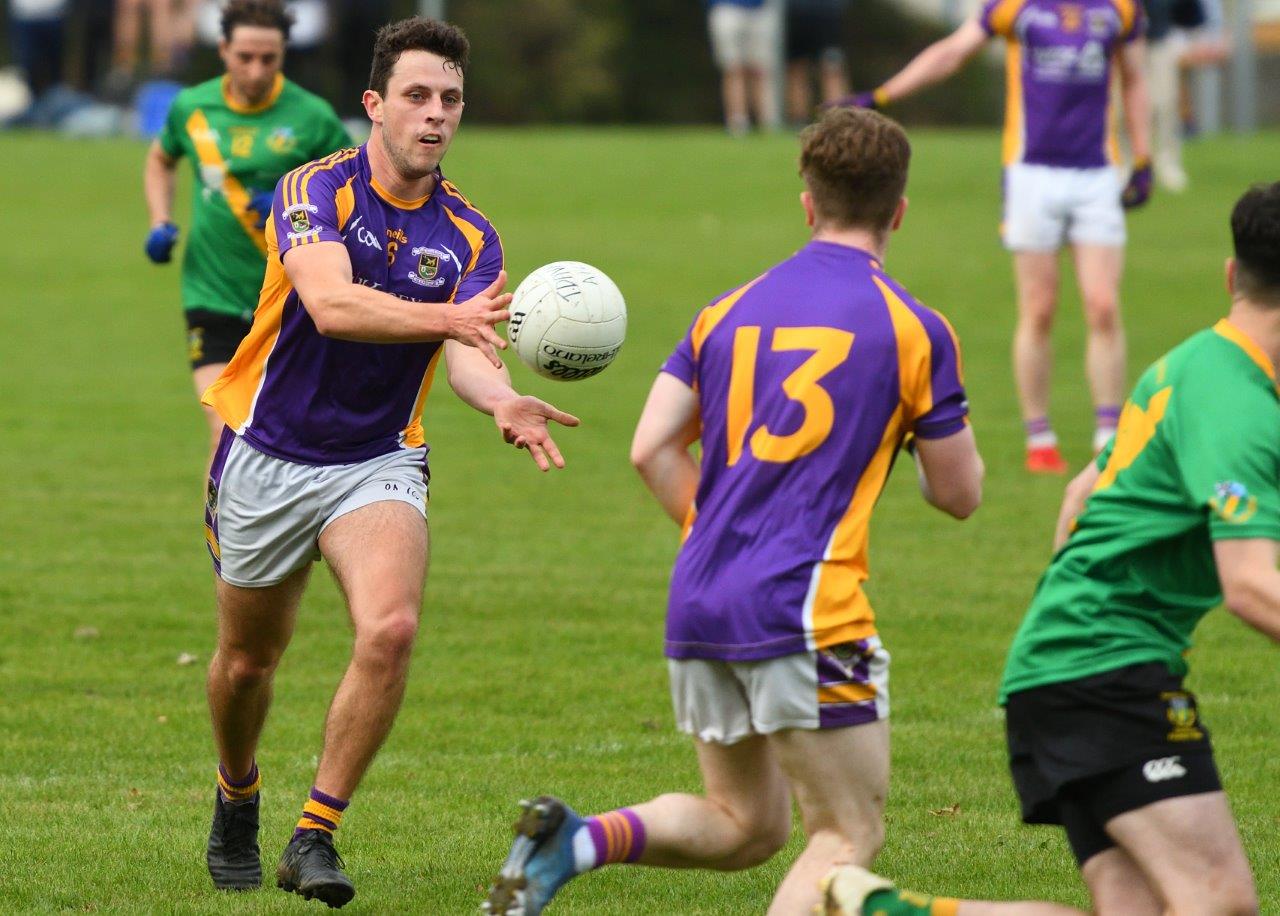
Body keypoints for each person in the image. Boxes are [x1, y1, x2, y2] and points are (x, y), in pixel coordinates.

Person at [482, 106, 984, 916]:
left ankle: (576, 840)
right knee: (844, 834)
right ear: (899, 211)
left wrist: (719, 534)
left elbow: (651, 449)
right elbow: (959, 496)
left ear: (807, 203)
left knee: (747, 825)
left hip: (702, 593)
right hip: (807, 607)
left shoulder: (725, 311)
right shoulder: (914, 327)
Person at [198, 16, 579, 908]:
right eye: (415, 96)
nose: (434, 114)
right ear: (374, 105)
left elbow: (471, 353)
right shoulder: (312, 189)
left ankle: (314, 834)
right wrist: (451, 320)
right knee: (248, 664)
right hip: (266, 450)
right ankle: (236, 791)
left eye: (449, 99)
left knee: (392, 628)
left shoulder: (471, 235)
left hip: (378, 458)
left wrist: (502, 398)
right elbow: (330, 304)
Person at [823, 182, 1280, 916]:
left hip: (1061, 666)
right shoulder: (1241, 406)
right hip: (1106, 674)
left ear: (1232, 277)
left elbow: (1079, 495)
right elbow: (1252, 586)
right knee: (1217, 902)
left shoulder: (1190, 365)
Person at [842, 0, 1153, 474]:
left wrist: (1143, 156)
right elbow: (952, 52)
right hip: (1031, 174)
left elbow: (1134, 79)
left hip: (1096, 173)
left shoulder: (1121, 9)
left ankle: (1107, 433)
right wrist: (883, 95)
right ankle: (1039, 435)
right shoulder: (1016, 6)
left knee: (1103, 304)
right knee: (1040, 307)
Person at [143, 0, 350, 473]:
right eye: (245, 57)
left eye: (269, 59)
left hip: (288, 301)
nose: (256, 70)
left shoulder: (312, 117)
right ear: (223, 50)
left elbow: (356, 192)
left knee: (287, 441)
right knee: (224, 431)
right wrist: (159, 220)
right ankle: (221, 550)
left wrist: (286, 205)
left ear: (283, 56)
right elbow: (161, 158)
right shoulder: (191, 108)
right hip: (211, 292)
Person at [706, 0, 780, 135]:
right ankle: (738, 122)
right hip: (726, 8)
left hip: (759, 10)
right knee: (733, 69)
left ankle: (767, 123)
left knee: (760, 70)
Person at [785, 0, 850, 125]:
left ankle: (840, 119)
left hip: (824, 13)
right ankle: (800, 121)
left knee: (831, 70)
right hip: (802, 12)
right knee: (798, 70)